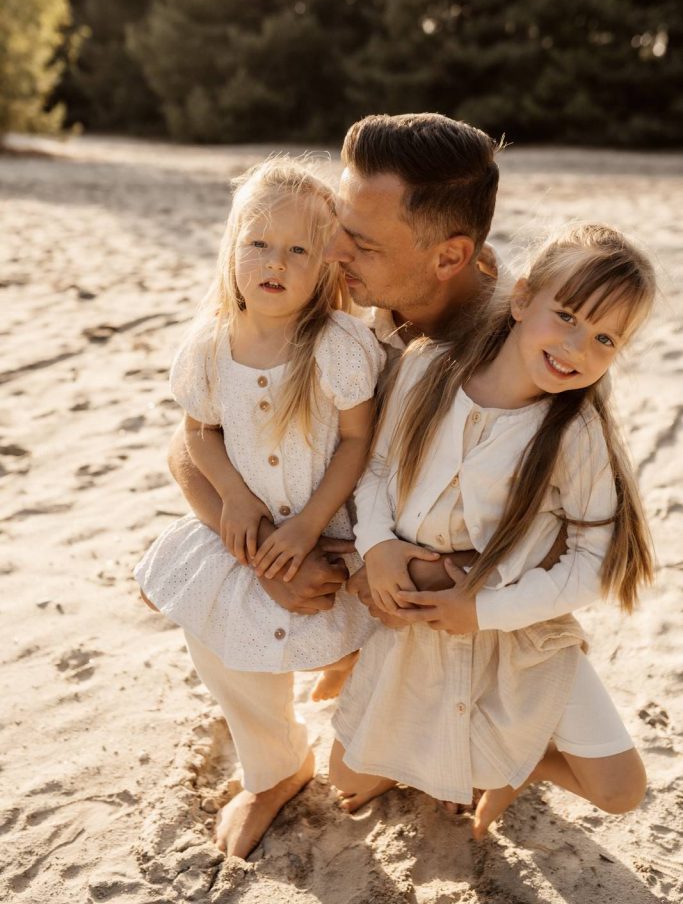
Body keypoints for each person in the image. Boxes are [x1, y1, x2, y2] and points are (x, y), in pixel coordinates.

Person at [165, 113, 504, 856]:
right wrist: (256, 549)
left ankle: (457, 722)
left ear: (450, 258)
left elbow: (499, 541)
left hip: (387, 556)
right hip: (285, 535)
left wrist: (338, 558)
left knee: (366, 763)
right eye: (338, 233)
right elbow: (192, 440)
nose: (332, 255)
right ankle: (278, 763)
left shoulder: (496, 367)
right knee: (211, 608)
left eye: (356, 243)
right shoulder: (256, 325)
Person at [330, 223, 656, 841]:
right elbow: (374, 470)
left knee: (620, 791)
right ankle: (458, 759)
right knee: (345, 781)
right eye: (566, 316)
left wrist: (484, 611)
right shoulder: (427, 373)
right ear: (522, 297)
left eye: (605, 338)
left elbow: (594, 560)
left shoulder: (573, 432)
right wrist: (376, 545)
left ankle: (517, 765)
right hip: (420, 623)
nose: (576, 347)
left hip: (516, 631)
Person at [135, 157, 386, 856]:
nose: (274, 262)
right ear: (233, 245)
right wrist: (236, 498)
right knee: (220, 640)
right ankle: (276, 768)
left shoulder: (338, 347)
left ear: (325, 265)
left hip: (326, 527)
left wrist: (309, 522)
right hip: (251, 533)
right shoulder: (208, 346)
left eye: (298, 249)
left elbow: (357, 441)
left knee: (369, 637)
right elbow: (198, 430)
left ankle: (377, 730)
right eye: (258, 243)